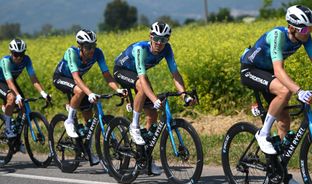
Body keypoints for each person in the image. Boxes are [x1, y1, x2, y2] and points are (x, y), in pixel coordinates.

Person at [240, 5, 312, 184]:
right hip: (250, 69)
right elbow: (278, 71)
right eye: (305, 29)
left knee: (284, 120)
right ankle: (263, 133)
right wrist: (299, 91)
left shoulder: (304, 39)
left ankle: (282, 173)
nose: (309, 32)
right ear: (291, 27)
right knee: (285, 91)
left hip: (267, 72)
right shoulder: (278, 35)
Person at [113, 21, 196, 175]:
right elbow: (142, 79)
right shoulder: (140, 49)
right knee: (143, 88)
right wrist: (154, 99)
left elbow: (175, 74)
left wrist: (184, 95)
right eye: (156, 38)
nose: (159, 43)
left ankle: (146, 159)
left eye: (164, 40)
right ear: (150, 36)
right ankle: (134, 126)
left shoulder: (167, 50)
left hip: (139, 75)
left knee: (153, 114)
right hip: (122, 70)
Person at [53, 29, 126, 165]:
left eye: (93, 46)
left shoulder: (98, 53)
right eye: (87, 47)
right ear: (80, 46)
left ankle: (86, 148)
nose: (91, 49)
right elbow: (75, 77)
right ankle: (69, 120)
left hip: (77, 81)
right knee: (81, 92)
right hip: (61, 78)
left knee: (88, 112)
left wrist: (118, 89)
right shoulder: (71, 53)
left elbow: (106, 74)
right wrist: (90, 93)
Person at [0, 39, 51, 153]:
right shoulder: (6, 61)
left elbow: (33, 78)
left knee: (24, 106)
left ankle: (17, 140)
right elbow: (8, 82)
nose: (18, 58)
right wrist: (17, 95)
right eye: (16, 54)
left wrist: (43, 93)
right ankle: (8, 129)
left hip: (11, 82)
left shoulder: (26, 60)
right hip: (3, 82)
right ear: (11, 53)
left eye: (21, 54)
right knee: (12, 98)